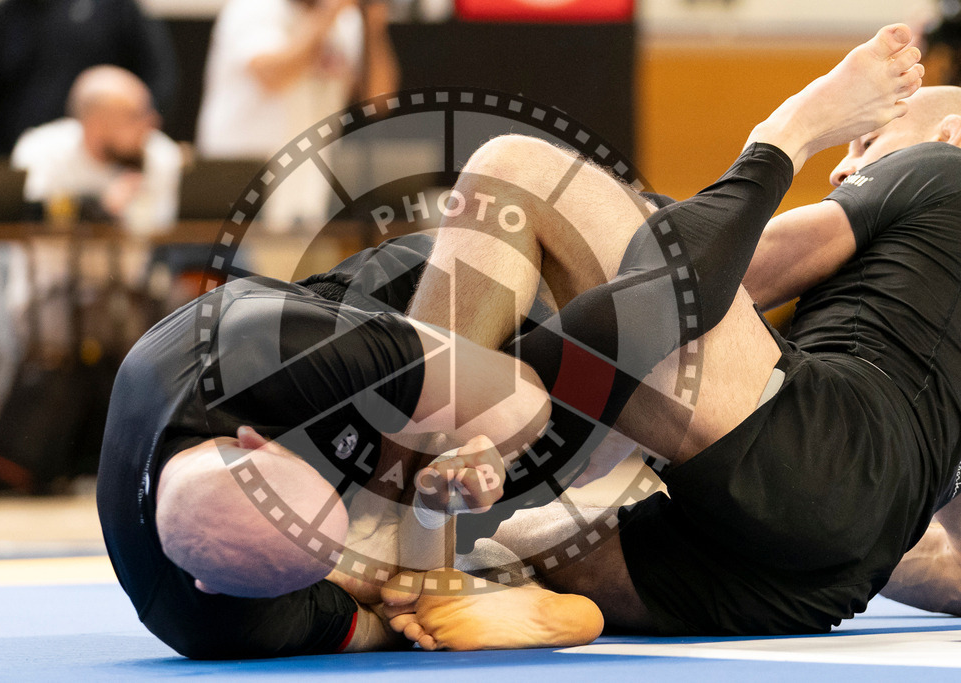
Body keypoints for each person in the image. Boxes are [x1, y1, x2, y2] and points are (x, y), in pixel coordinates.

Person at [97, 24, 926, 658]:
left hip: (478, 327)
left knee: (631, 288)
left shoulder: (251, 351)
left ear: (254, 437)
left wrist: (455, 467)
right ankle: (786, 135)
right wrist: (411, 544)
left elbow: (512, 399)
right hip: (487, 485)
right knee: (525, 175)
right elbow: (398, 623)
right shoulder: (219, 616)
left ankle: (843, 179)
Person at [381, 29, 961, 648]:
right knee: (523, 539)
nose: (844, 166)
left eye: (868, 142)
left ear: (950, 132)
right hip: (810, 583)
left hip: (823, 447)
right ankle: (542, 603)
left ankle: (390, 537)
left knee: (515, 170)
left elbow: (703, 280)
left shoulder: (942, 166)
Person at [195, 0, 399, 231]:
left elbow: (379, 101)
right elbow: (274, 76)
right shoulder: (253, 8)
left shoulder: (346, 23)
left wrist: (373, 28)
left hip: (307, 187)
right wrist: (327, 14)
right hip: (241, 189)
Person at [0, 0, 176, 156]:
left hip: (109, 164)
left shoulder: (115, 7)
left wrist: (134, 132)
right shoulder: (4, 17)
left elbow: (162, 76)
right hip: (29, 161)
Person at [11, 65, 183, 236]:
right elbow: (29, 216)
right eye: (134, 115)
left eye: (149, 110)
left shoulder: (161, 154)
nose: (152, 123)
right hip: (50, 263)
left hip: (136, 264)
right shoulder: (41, 149)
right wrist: (100, 207)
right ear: (95, 125)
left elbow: (164, 233)